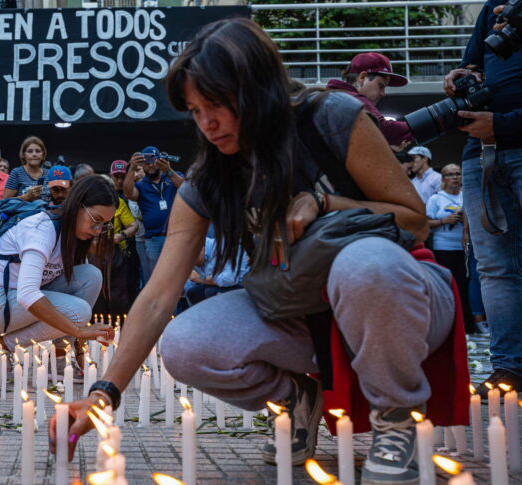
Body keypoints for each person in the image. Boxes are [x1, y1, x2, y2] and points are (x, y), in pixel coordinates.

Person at [52, 19, 468, 485]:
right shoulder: (209, 178)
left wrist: (327, 203)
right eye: (194, 111)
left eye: (216, 105)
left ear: (257, 91)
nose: (206, 124)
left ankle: (396, 417)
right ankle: (296, 396)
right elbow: (157, 297)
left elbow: (412, 220)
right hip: (299, 306)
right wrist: (104, 393)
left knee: (361, 263)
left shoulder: (329, 118)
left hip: (396, 293)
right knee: (187, 344)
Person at [453, 1, 522, 397]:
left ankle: (512, 367)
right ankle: (509, 370)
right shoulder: (493, 6)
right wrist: (459, 77)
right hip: (480, 150)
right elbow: (473, 63)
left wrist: (502, 124)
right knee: (493, 268)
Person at [0, 176, 115, 355]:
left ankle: (61, 354)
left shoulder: (73, 235)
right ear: (77, 205)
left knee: (91, 275)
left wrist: (77, 339)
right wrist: (79, 330)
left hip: (12, 301)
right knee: (79, 312)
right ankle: (0, 346)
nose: (98, 230)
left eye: (104, 225)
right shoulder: (42, 229)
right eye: (95, 219)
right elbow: (28, 294)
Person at [326, 52, 414, 149]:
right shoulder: (352, 98)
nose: (383, 93)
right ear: (362, 77)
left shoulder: (334, 95)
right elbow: (384, 129)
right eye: (380, 86)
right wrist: (429, 123)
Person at [122, 146, 184, 283]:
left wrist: (168, 170)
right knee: (156, 280)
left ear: (159, 160)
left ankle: (178, 305)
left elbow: (187, 189)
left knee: (176, 277)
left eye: (153, 161)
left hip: (174, 236)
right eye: (145, 162)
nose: (150, 165)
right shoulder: (141, 185)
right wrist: (132, 167)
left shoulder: (171, 177)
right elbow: (127, 193)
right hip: (153, 239)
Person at [426, 164, 472, 329]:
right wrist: (443, 221)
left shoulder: (465, 196)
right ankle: (446, 323)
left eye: (457, 174)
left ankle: (465, 323)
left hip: (464, 247)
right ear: (443, 178)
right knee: (446, 285)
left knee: (463, 286)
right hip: (443, 246)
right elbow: (425, 222)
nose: (454, 177)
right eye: (450, 174)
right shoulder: (436, 199)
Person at [93, 174, 139, 316]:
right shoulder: (90, 204)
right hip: (94, 251)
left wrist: (122, 235)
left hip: (115, 252)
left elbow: (133, 226)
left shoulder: (119, 203)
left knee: (118, 291)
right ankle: (97, 324)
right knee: (97, 290)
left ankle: (118, 325)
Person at [3, 136, 48, 202]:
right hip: (24, 212)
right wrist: (25, 197)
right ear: (23, 155)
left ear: (43, 154)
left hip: (47, 212)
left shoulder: (49, 173)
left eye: (38, 151)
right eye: (30, 151)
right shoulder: (17, 173)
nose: (34, 154)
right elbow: (5, 202)